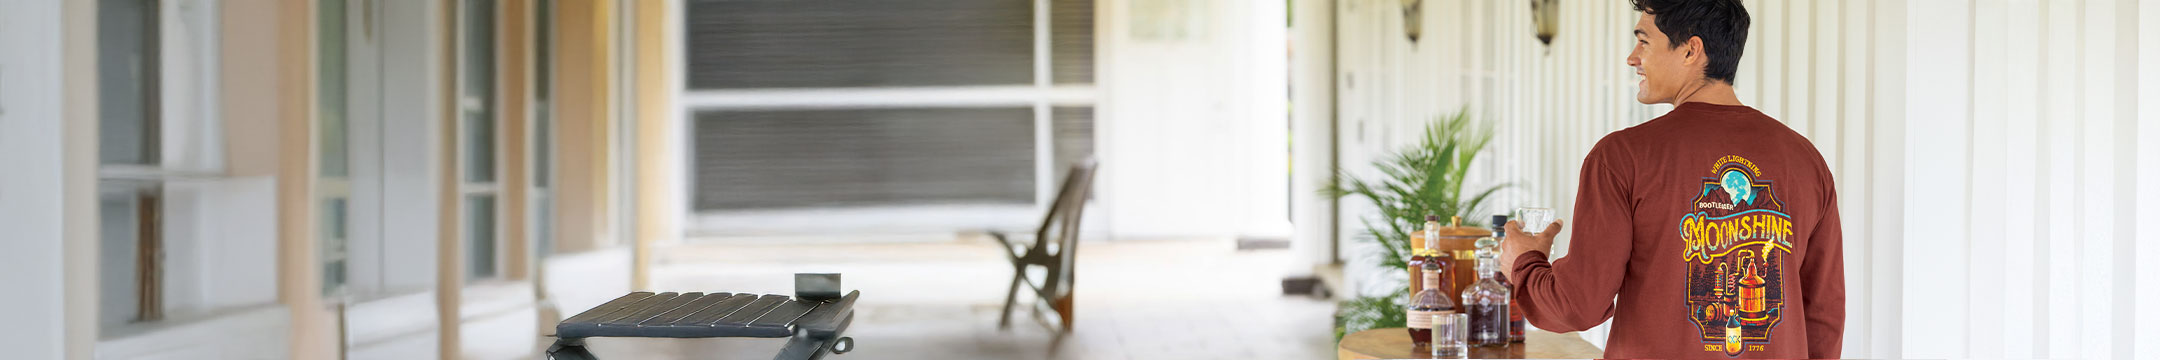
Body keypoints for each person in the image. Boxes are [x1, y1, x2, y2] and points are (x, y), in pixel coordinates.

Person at [1496, 0, 1843, 358]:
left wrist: (1524, 264)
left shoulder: (1622, 157)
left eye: (1643, 42)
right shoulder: (1805, 161)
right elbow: (1824, 315)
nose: (1633, 58)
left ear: (1691, 50)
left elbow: (1577, 304)